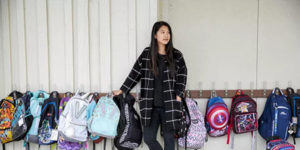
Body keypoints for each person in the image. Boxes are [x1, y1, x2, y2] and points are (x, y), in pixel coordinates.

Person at [113, 21, 187, 150]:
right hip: (150, 106)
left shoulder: (177, 55)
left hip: (169, 104)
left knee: (169, 139)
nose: (166, 35)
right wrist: (123, 89)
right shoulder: (147, 54)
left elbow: (183, 75)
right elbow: (135, 73)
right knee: (149, 138)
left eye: (168, 32)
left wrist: (179, 95)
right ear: (155, 35)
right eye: (162, 32)